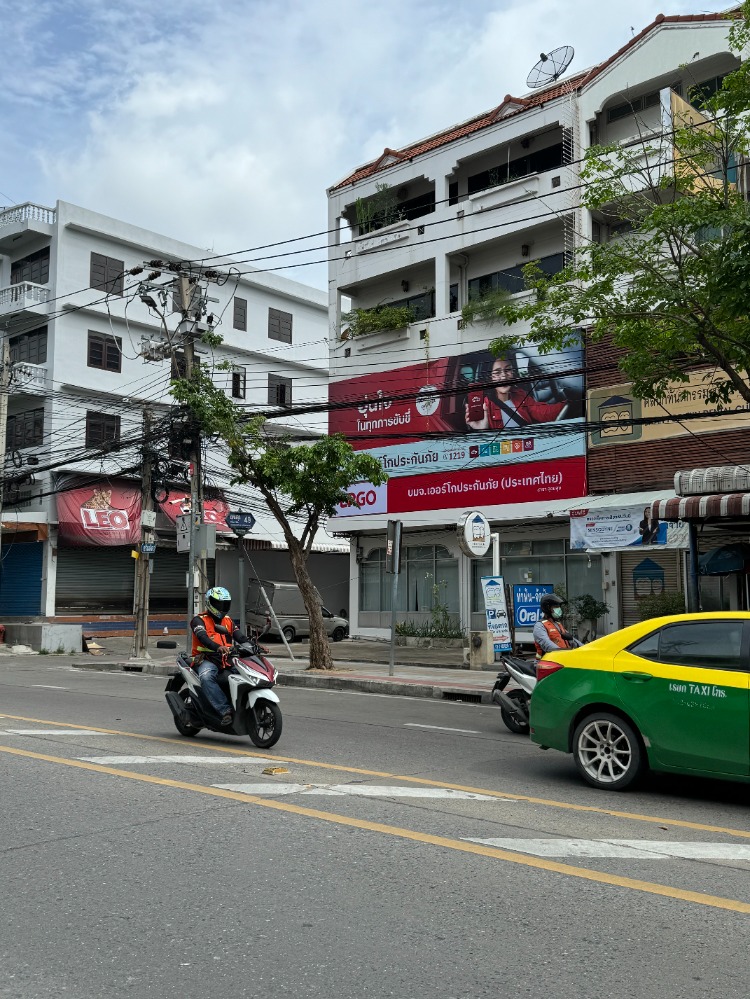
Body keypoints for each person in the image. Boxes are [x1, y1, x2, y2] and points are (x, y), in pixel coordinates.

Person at [191, 586, 249, 726]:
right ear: (210, 603)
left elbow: (239, 636)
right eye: (219, 604)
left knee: (246, 673)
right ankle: (225, 710)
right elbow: (203, 638)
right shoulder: (199, 620)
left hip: (226, 659)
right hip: (206, 659)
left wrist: (253, 645)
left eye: (225, 604)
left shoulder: (227, 621)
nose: (222, 608)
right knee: (206, 677)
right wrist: (217, 647)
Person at [464, 355, 569, 430]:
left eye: (508, 370)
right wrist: (483, 430)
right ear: (491, 377)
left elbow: (544, 412)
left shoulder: (521, 395)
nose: (504, 376)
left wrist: (570, 403)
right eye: (497, 372)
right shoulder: (484, 406)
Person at [533, 593, 578, 657]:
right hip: (547, 663)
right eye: (556, 607)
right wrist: (563, 654)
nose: (559, 609)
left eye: (559, 606)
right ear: (548, 608)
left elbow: (575, 642)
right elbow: (547, 645)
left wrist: (585, 648)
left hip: (562, 659)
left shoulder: (558, 624)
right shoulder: (539, 626)